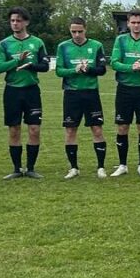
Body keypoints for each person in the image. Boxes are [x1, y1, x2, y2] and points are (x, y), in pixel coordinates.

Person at [0, 7, 49, 179]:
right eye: (12, 21)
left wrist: (31, 65)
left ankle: (31, 168)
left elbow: (45, 66)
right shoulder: (4, 44)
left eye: (18, 20)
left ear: (26, 22)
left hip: (32, 91)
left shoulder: (37, 43)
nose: (15, 24)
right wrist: (17, 60)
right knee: (14, 129)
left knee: (34, 129)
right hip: (12, 91)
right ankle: (17, 169)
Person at [55, 17, 109, 179]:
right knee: (70, 130)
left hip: (91, 93)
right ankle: (74, 168)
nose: (77, 34)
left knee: (97, 129)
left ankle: (101, 167)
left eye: (80, 31)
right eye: (73, 31)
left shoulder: (96, 45)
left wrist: (88, 69)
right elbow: (59, 71)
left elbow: (102, 70)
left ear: (86, 29)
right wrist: (75, 70)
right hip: (71, 94)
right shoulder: (63, 47)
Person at [108, 10, 140, 177]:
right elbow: (114, 63)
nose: (136, 25)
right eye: (133, 22)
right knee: (123, 126)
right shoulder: (120, 40)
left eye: (139, 22)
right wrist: (131, 67)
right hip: (124, 89)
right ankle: (122, 165)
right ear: (128, 23)